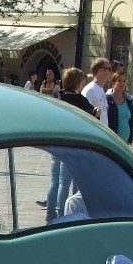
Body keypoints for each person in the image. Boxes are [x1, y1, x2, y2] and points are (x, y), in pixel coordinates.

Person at [43, 68, 97, 221]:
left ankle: (50, 214)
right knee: (65, 182)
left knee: (55, 181)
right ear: (77, 81)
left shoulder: (58, 96)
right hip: (71, 145)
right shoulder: (78, 99)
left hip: (56, 143)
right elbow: (91, 114)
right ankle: (62, 215)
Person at [106, 68, 133, 144]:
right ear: (113, 83)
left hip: (125, 142)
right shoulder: (107, 99)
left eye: (124, 81)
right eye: (119, 81)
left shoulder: (129, 100)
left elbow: (132, 119)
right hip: (111, 140)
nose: (122, 83)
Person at [81, 58, 112, 127]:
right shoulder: (90, 90)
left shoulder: (101, 89)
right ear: (100, 71)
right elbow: (85, 115)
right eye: (109, 69)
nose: (111, 72)